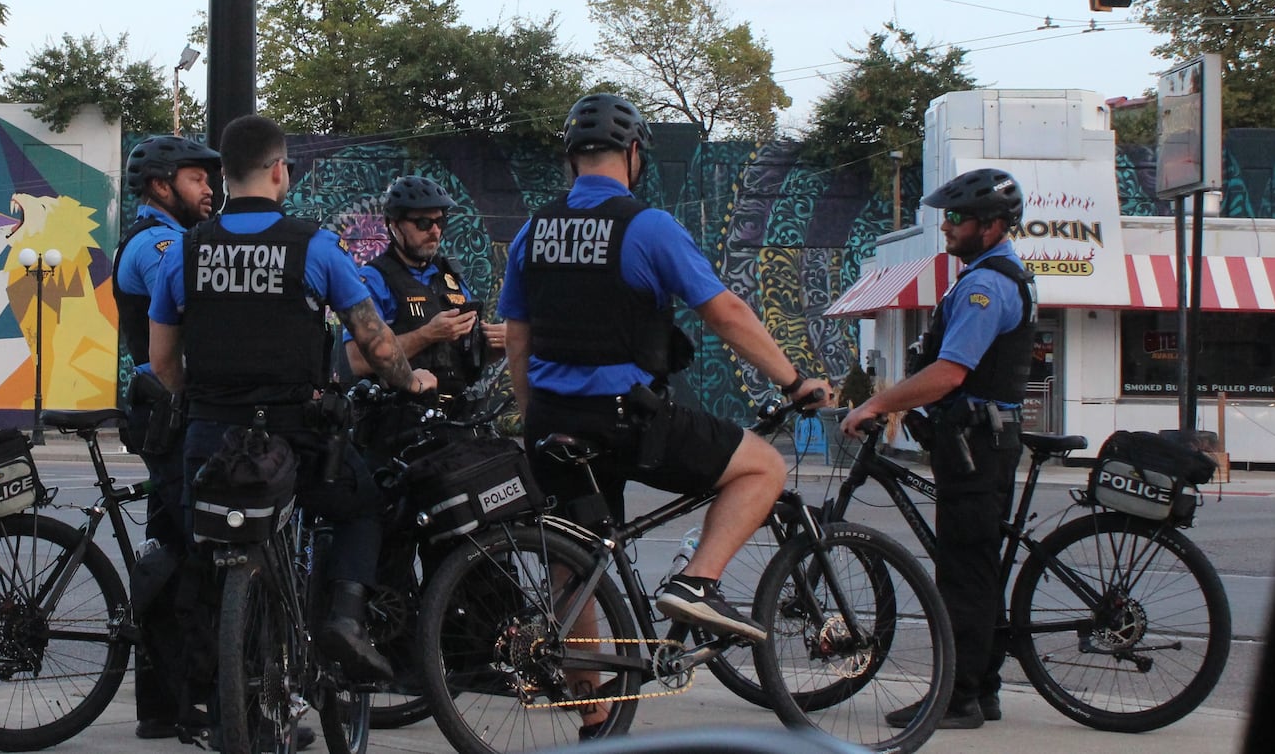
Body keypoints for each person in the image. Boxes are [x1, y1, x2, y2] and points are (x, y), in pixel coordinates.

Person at [499, 92, 833, 653]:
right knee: (762, 468)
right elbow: (725, 312)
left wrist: (533, 416)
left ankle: (593, 716)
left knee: (573, 572)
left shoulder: (532, 232)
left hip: (552, 425)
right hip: (626, 421)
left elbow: (516, 337)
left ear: (571, 158)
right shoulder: (647, 227)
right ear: (633, 153)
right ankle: (696, 582)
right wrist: (794, 381)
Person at [148, 114, 437, 687]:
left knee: (206, 554)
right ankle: (345, 620)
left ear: (225, 176)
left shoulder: (185, 251)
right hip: (297, 436)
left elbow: (161, 362)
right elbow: (375, 341)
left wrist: (204, 399)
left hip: (212, 440)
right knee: (361, 506)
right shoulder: (316, 247)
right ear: (280, 170)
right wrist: (412, 381)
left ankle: (215, 690)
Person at [839, 167, 1037, 731]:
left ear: (993, 225)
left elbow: (950, 374)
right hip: (975, 441)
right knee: (976, 568)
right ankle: (985, 687)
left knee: (963, 573)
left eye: (957, 218)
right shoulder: (989, 272)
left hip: (976, 444)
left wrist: (876, 405)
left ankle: (958, 699)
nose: (946, 227)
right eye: (944, 217)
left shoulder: (985, 286)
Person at [112, 135, 218, 741]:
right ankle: (191, 702)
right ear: (160, 185)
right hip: (172, 416)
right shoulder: (162, 245)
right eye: (197, 179)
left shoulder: (169, 239)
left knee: (171, 550)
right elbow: (196, 315)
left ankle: (162, 703)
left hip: (167, 416)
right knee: (192, 553)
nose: (210, 190)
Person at [343, 174, 507, 417]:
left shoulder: (450, 277)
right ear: (394, 225)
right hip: (400, 418)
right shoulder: (374, 280)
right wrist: (426, 334)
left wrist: (496, 347)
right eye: (422, 223)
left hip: (456, 416)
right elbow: (359, 360)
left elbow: (462, 356)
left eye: (441, 222)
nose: (434, 231)